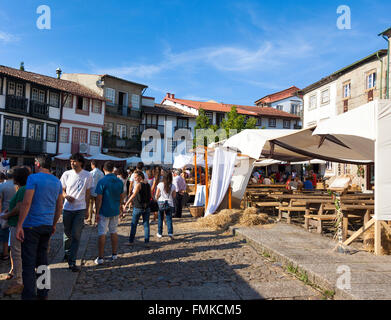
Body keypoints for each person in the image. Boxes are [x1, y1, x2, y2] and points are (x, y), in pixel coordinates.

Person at [15, 156, 63, 300]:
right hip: (47, 225)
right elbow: (59, 206)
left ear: (37, 164)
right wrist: (54, 224)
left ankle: (29, 295)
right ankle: (43, 293)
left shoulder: (33, 179)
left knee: (28, 264)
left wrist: (19, 225)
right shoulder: (57, 181)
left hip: (31, 226)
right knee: (43, 261)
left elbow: (27, 202)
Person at [60, 153, 93, 272]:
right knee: (67, 234)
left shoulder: (87, 175)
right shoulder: (66, 174)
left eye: (74, 161)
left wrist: (87, 210)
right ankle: (66, 252)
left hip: (80, 208)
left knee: (76, 235)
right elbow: (62, 190)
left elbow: (88, 193)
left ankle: (72, 261)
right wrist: (66, 196)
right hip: (67, 208)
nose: (72, 163)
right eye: (71, 161)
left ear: (81, 162)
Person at [2, 166, 30, 296]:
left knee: (16, 254)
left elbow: (19, 208)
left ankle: (19, 282)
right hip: (21, 225)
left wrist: (7, 215)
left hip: (16, 225)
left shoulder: (22, 190)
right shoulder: (24, 189)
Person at [94, 161, 125, 265]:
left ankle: (101, 257)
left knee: (102, 233)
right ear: (113, 169)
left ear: (104, 169)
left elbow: (99, 199)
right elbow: (122, 196)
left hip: (104, 210)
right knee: (114, 231)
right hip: (115, 210)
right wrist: (120, 206)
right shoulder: (119, 181)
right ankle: (114, 254)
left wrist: (97, 212)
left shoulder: (102, 181)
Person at [125, 171, 151, 245]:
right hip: (147, 207)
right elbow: (150, 196)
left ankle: (131, 241)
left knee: (134, 224)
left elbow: (133, 195)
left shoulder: (139, 185)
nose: (135, 179)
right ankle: (147, 242)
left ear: (140, 177)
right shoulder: (148, 185)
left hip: (138, 207)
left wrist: (127, 203)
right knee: (146, 225)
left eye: (136, 177)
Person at [0, 169, 17, 261]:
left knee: (5, 235)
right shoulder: (18, 186)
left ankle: (5, 254)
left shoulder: (2, 186)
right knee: (14, 234)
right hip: (16, 212)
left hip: (4, 213)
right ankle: (14, 253)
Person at [155, 170, 176, 240]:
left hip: (161, 202)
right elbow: (174, 196)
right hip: (169, 203)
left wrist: (156, 199)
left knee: (160, 218)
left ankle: (159, 233)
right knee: (169, 219)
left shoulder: (160, 184)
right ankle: (170, 233)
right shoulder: (173, 186)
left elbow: (157, 195)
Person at [88, 160, 104, 226]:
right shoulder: (101, 173)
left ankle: (90, 219)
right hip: (99, 192)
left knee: (90, 206)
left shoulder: (90, 173)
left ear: (92, 165)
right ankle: (96, 220)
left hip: (92, 191)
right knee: (98, 207)